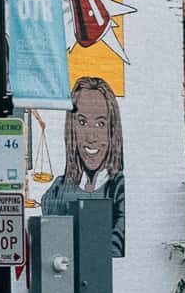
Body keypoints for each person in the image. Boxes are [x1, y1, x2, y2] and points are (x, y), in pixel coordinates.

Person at [38, 77, 126, 255]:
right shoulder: (56, 190)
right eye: (82, 122)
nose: (91, 136)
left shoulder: (119, 190)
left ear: (112, 130)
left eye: (101, 123)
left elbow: (114, 248)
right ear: (71, 128)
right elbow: (50, 247)